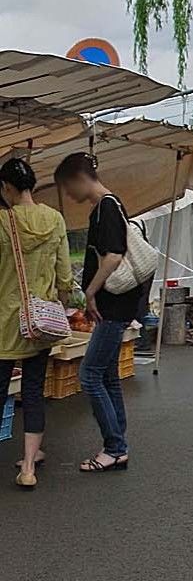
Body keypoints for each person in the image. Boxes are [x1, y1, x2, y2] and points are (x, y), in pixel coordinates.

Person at [54, 152, 144, 474]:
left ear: (79, 179)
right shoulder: (107, 206)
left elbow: (114, 255)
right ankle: (118, 444)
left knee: (89, 375)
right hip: (117, 306)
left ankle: (114, 447)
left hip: (112, 305)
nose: (68, 195)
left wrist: (90, 291)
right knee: (107, 375)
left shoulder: (106, 206)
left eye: (67, 188)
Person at [0, 158, 73, 490]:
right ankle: (29, 467)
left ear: (7, 188)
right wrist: (62, 302)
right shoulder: (54, 219)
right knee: (32, 392)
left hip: (4, 322)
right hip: (39, 323)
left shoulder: (3, 221)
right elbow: (64, 275)